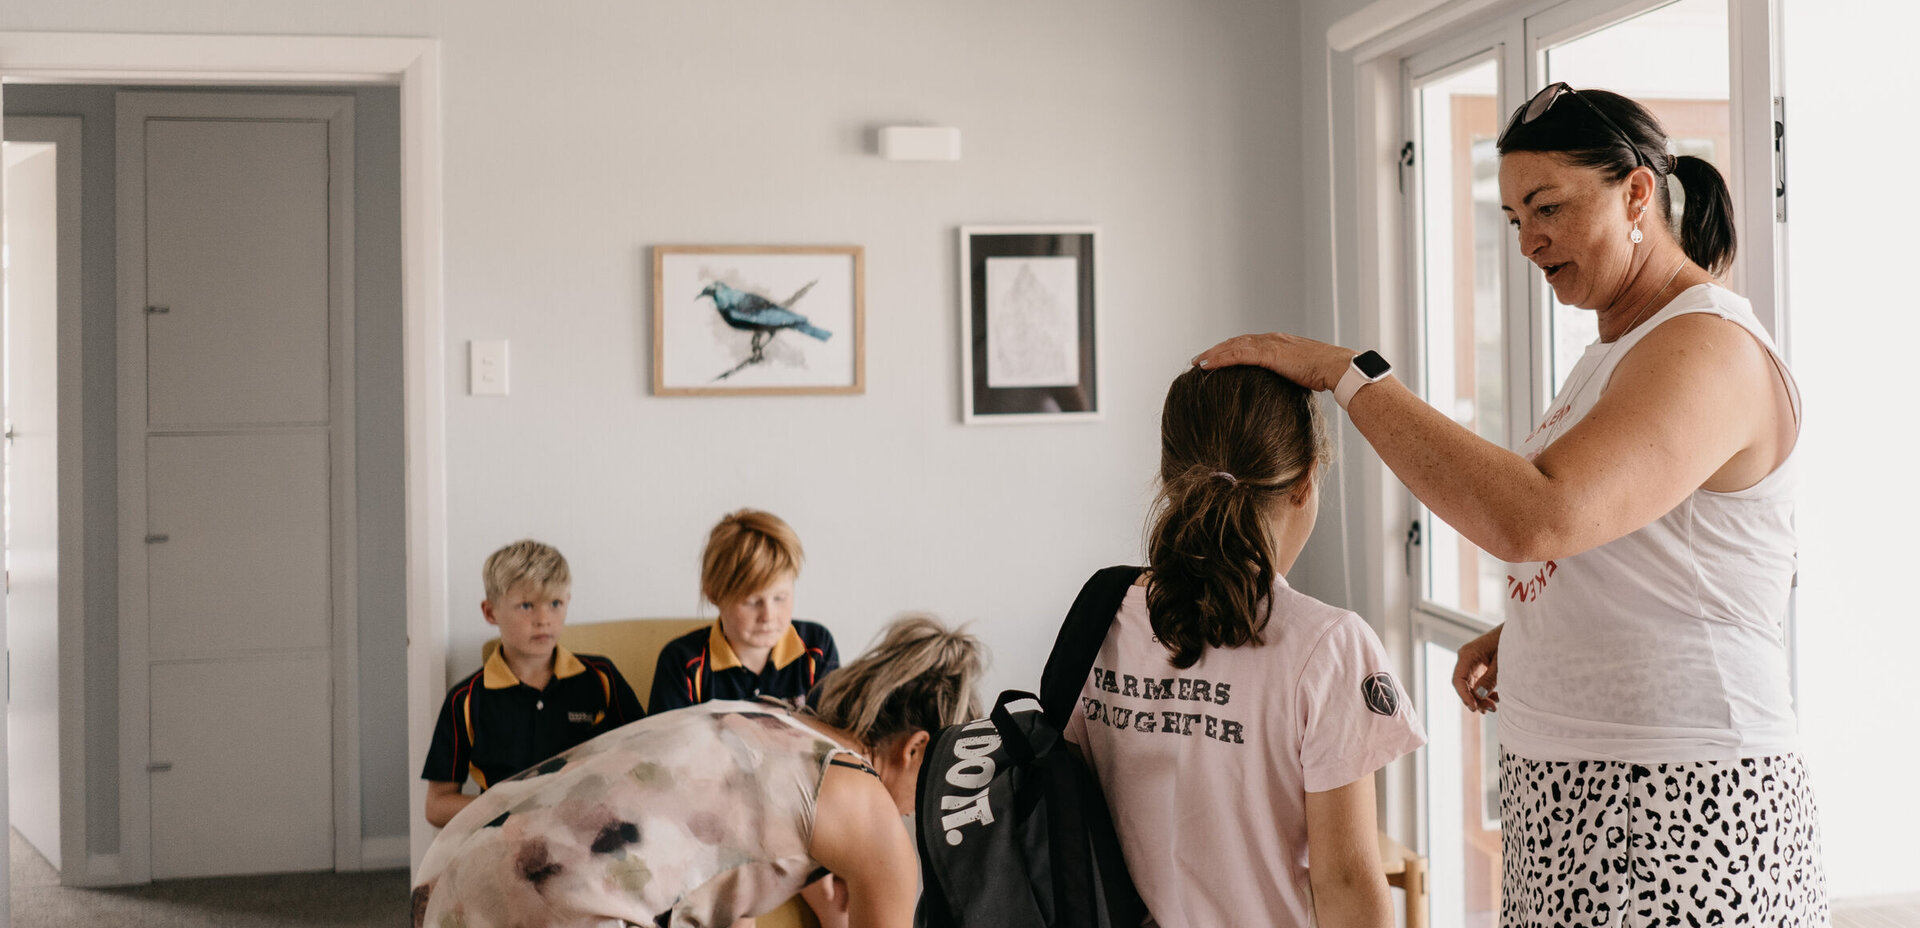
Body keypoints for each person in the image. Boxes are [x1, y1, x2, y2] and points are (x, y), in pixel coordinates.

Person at [1194, 83, 1825, 926]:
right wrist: (1538, 622)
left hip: (1679, 797)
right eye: (1512, 217)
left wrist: (1349, 375)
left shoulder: (1707, 345)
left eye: (1548, 207)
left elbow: (1539, 517)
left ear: (1638, 193)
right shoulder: (1619, 347)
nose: (1527, 240)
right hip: (1579, 794)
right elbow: (1629, 542)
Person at [1064, 365, 1425, 928]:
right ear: (1305, 481)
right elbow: (1346, 884)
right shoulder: (1328, 646)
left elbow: (1075, 817)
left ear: (1170, 477)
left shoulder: (1100, 612)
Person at [411, 615, 983, 928]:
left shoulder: (764, 713)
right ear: (916, 748)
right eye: (940, 776)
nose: (924, 806)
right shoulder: (868, 805)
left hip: (451, 877)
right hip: (544, 911)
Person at [421, 540, 645, 828]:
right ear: (490, 612)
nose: (543, 620)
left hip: (590, 828)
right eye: (526, 606)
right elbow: (437, 806)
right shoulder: (466, 699)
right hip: (505, 836)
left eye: (555, 604)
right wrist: (509, 809)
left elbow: (646, 757)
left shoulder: (601, 677)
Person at [649, 509, 839, 713]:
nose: (768, 616)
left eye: (780, 598)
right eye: (752, 602)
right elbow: (666, 734)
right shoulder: (683, 662)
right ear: (714, 593)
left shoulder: (817, 648)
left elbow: (835, 728)